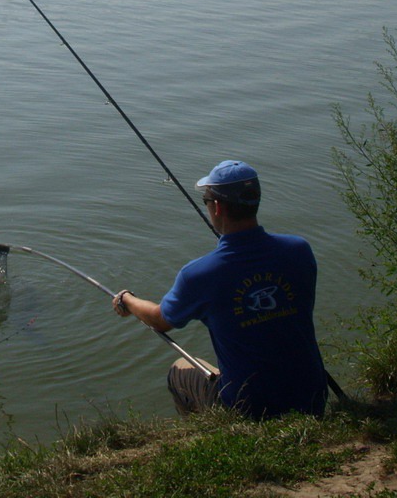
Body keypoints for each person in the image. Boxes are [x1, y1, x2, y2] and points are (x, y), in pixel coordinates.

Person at [111, 159, 328, 418]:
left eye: (207, 202)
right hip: (312, 398)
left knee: (180, 369)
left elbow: (160, 321)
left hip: (250, 409)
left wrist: (127, 299)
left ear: (218, 208)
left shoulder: (200, 274)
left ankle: (215, 434)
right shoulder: (299, 251)